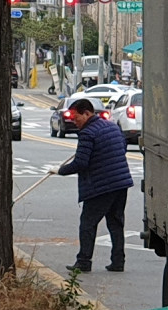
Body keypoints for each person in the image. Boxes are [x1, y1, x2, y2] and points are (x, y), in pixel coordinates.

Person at [54, 97, 133, 273]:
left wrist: (60, 170)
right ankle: (118, 261)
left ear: (87, 113)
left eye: (77, 117)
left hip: (101, 185)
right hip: (121, 182)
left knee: (88, 223)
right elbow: (122, 147)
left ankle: (84, 261)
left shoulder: (88, 134)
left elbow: (80, 163)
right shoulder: (112, 127)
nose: (74, 121)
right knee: (115, 223)